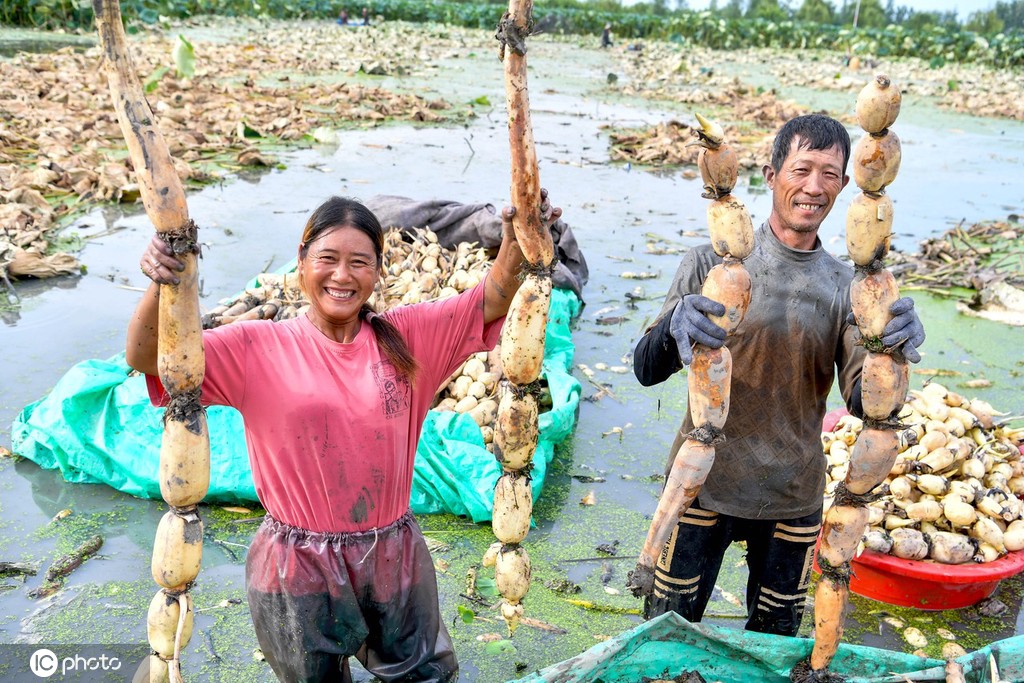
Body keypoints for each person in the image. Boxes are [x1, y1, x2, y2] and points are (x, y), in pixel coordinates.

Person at [127, 193, 562, 682]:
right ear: (301, 262)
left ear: (377, 271)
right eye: (327, 260)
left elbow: (492, 298)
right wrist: (161, 282)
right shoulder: (257, 347)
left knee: (426, 677)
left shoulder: (409, 339)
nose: (342, 276)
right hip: (296, 568)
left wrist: (518, 235)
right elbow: (151, 360)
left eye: (359, 262)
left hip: (394, 558)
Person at [632, 114, 925, 636]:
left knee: (775, 643)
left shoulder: (849, 287)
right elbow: (645, 370)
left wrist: (892, 350)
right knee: (667, 636)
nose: (814, 187)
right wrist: (675, 327)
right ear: (771, 175)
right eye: (802, 169)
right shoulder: (709, 263)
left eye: (831, 174)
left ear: (845, 186)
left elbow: (862, 402)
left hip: (793, 494)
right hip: (704, 487)